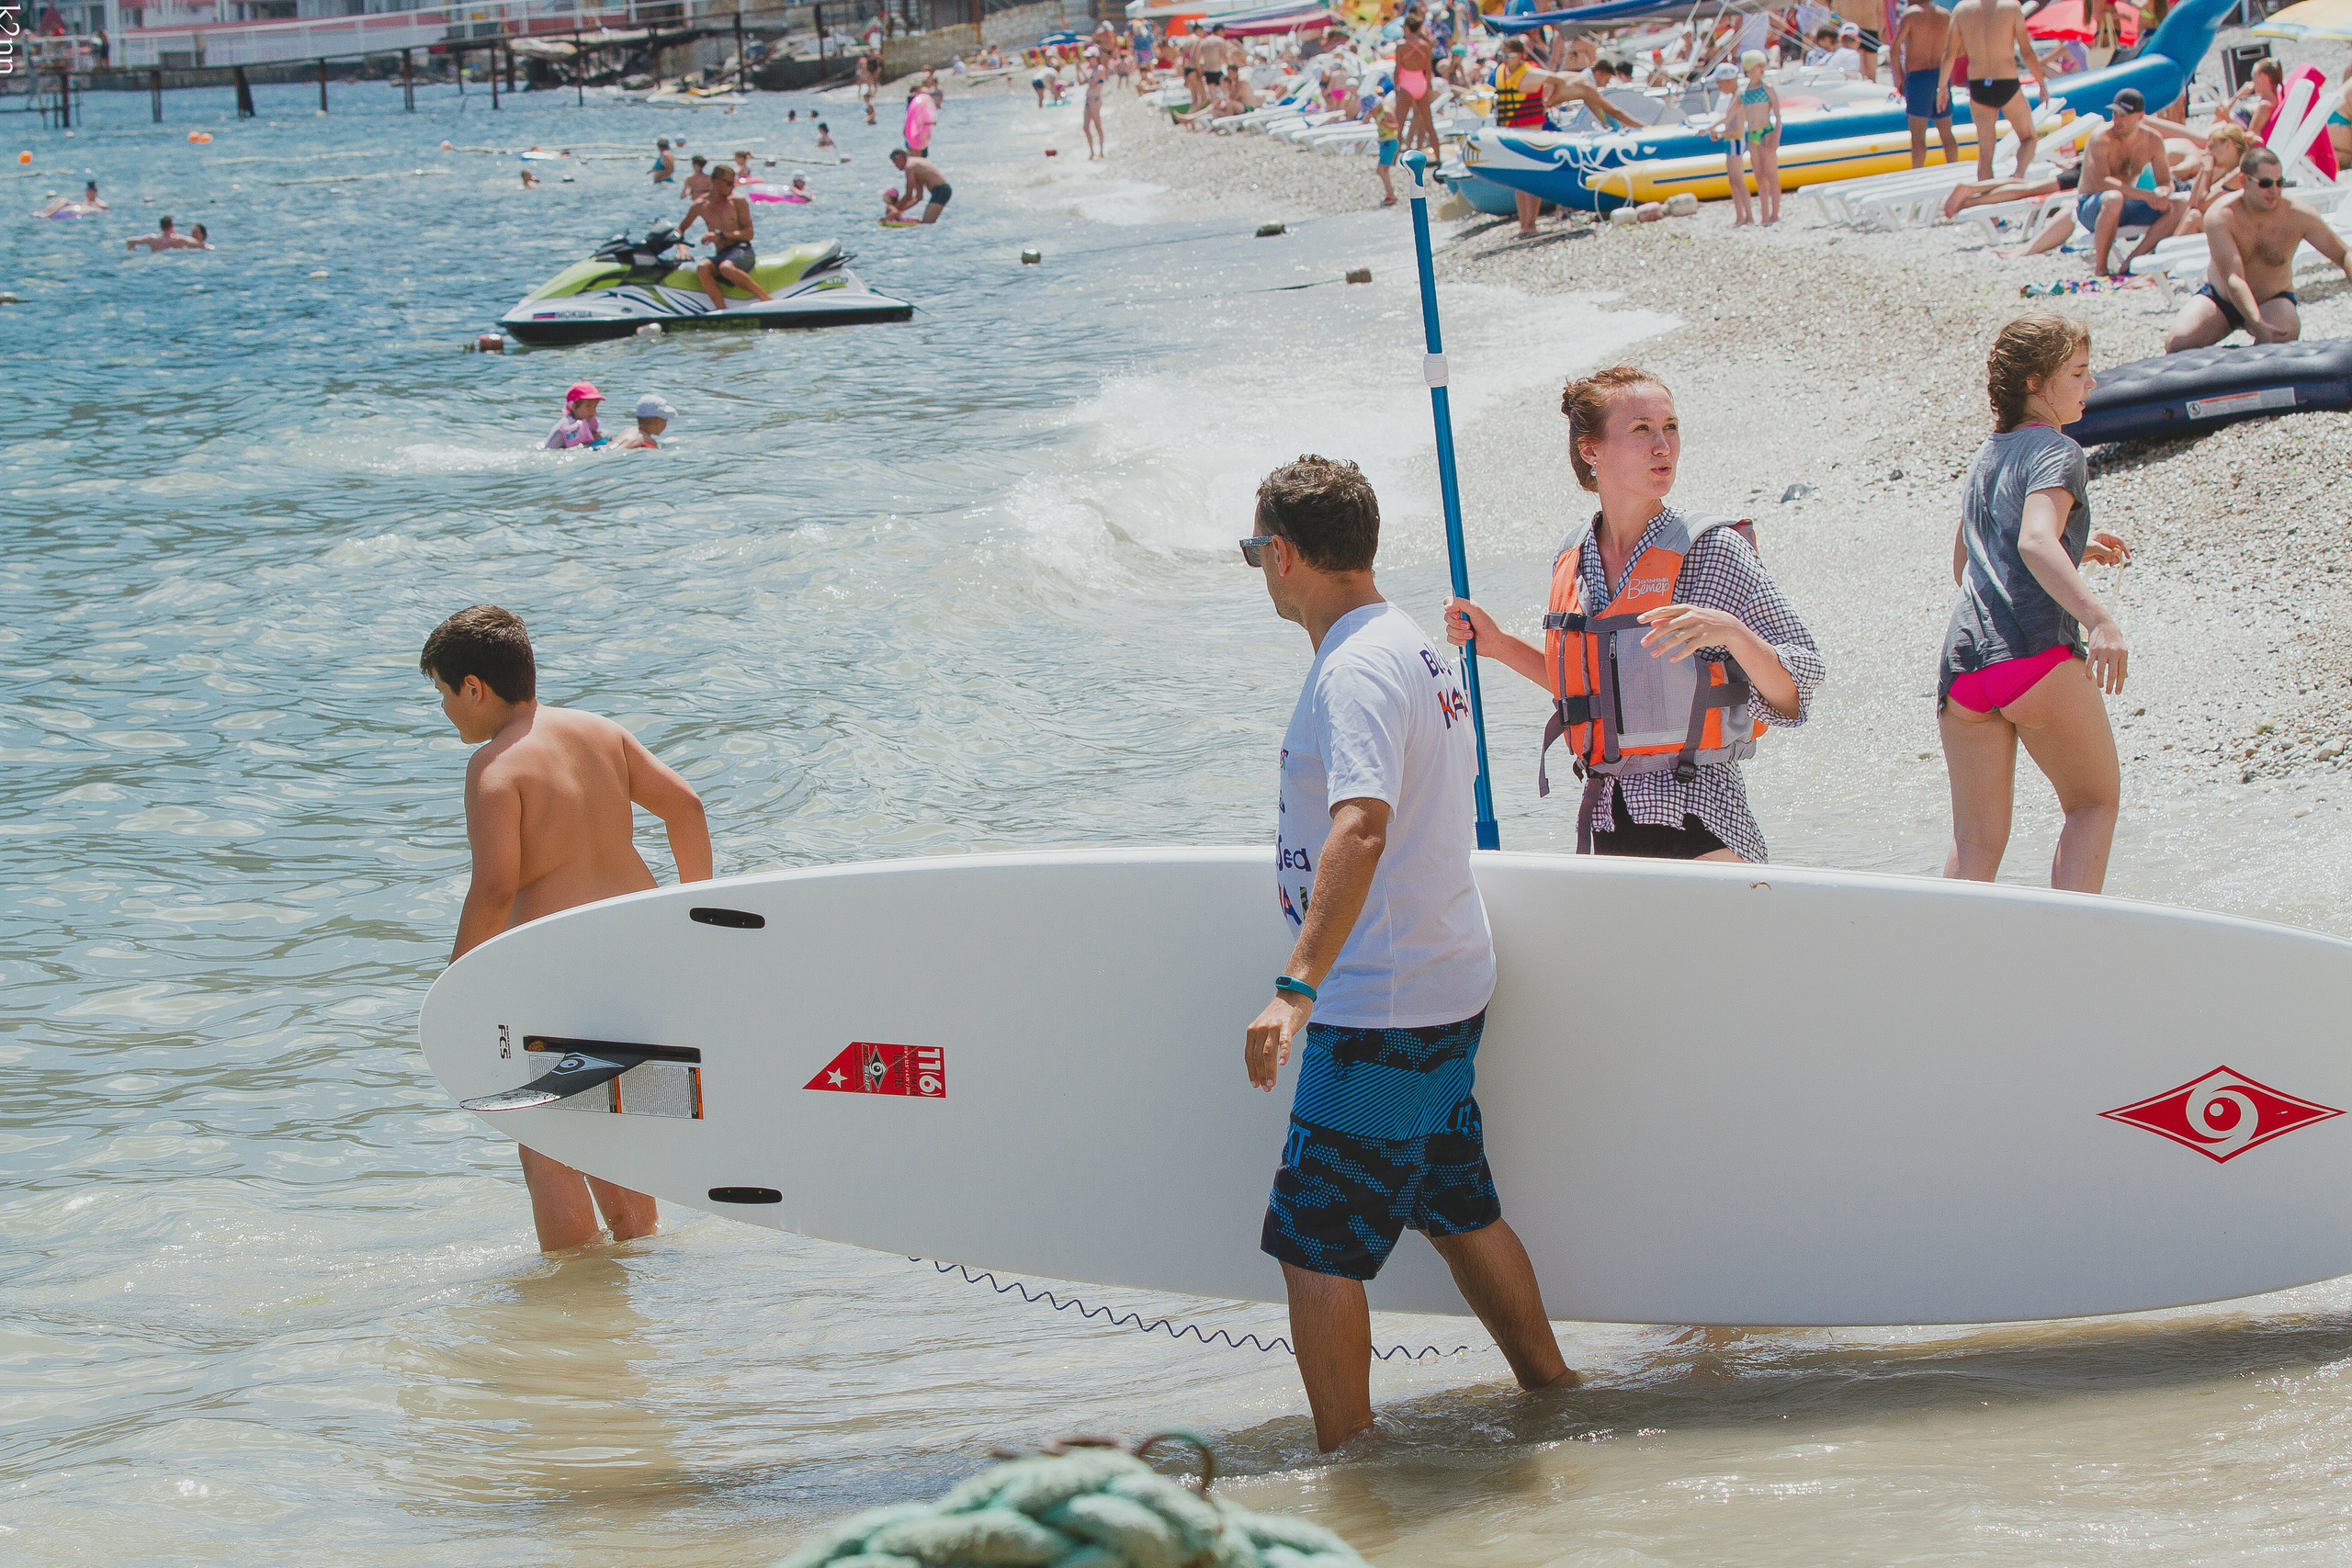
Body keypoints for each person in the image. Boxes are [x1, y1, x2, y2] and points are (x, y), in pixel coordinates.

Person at [1241, 456, 1578, 1453]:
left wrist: (1294, 988)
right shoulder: (1411, 647)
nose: (1259, 566)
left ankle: (1352, 1469)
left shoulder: (1351, 667)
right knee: (1454, 1201)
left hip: (1380, 1003)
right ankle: (1556, 1399)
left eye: (1255, 549)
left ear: (1287, 554)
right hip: (1439, 975)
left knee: (1312, 1243)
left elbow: (1361, 827)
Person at [1442, 367, 1821, 863]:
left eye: (1671, 427)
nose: (1663, 445)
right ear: (1591, 450)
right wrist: (1498, 645)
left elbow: (1799, 683)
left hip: (1701, 820)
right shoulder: (1574, 555)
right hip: (1607, 819)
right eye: (1642, 429)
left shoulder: (1711, 550)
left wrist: (1730, 631)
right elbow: (1590, 690)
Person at [422, 605, 711, 1251]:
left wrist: (455, 990)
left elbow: (496, 887)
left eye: (442, 692)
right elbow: (686, 808)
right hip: (644, 963)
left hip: (563, 980)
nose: (443, 709)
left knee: (548, 1144)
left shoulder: (495, 769)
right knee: (616, 1129)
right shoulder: (601, 732)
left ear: (475, 687)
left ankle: (576, 1298)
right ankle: (644, 1257)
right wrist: (697, 921)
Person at [1937, 315, 2131, 894]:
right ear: (2033, 384)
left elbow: (1965, 564)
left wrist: (2079, 548)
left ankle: (1940, 968)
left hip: (1964, 671)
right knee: (2091, 805)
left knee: (1975, 841)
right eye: (2077, 372)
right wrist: (2100, 619)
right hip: (2034, 653)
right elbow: (2034, 539)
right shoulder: (2058, 450)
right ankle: (2068, 965)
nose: (2090, 383)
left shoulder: (1987, 455)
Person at [2164, 146, 2352, 351]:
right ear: (2244, 181)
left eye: (2280, 183)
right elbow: (2233, 278)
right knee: (2178, 343)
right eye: (2265, 183)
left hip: (2272, 298)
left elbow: (2344, 254)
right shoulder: (2222, 216)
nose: (2274, 190)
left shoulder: (2298, 215)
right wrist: (2254, 320)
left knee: (2283, 334)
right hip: (2222, 298)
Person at [2073, 89, 2186, 276]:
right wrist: (2148, 195)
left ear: (2140, 116)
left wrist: (2164, 192)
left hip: (2128, 203)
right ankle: (2101, 268)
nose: (2118, 119)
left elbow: (2166, 180)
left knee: (2180, 205)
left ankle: (2132, 261)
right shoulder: (2102, 137)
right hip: (2092, 205)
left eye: (2124, 115)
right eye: (2115, 113)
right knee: (2113, 198)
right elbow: (2102, 182)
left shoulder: (2152, 140)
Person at [1939, 0, 2048, 181]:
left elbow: (1949, 53)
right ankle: (2017, 177)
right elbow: (2026, 51)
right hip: (2006, 81)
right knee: (2028, 138)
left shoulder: (1962, 9)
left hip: (1978, 84)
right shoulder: (2011, 7)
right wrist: (2041, 82)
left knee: (1985, 153)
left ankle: (1985, 196)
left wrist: (1942, 88)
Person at [678, 165, 775, 310]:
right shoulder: (700, 205)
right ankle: (722, 311)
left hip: (742, 250)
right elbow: (680, 230)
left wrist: (721, 235)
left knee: (726, 268)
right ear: (715, 181)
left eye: (733, 183)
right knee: (703, 267)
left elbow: (749, 233)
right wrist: (682, 248)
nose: (732, 187)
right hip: (722, 253)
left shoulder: (738, 201)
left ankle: (767, 300)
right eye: (729, 183)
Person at [1894, 0, 1959, 169]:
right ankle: (1953, 170)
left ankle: (1916, 175)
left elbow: (1894, 49)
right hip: (1940, 76)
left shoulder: (1911, 14)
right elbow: (1956, 49)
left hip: (1918, 78)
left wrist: (1900, 78)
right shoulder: (1945, 15)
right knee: (1947, 134)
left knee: (1918, 138)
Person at [1729, 50, 1781, 226]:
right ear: (1750, 68)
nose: (1762, 69)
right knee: (1759, 175)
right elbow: (1729, 115)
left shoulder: (1768, 90)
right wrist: (1713, 130)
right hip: (1752, 135)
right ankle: (1765, 215)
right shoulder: (1743, 92)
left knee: (1771, 174)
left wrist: (1776, 139)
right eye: (1759, 66)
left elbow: (1779, 117)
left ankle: (1774, 214)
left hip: (1766, 132)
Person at [1394, 13, 1439, 153]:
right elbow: (1428, 69)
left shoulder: (1401, 46)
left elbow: (1397, 69)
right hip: (1421, 84)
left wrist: (1397, 89)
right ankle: (1438, 158)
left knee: (1399, 126)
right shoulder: (1425, 46)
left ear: (1407, 28)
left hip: (1406, 84)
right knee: (1429, 125)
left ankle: (1393, 161)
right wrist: (1428, 87)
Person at [884, 148, 951, 223]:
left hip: (940, 190)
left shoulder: (909, 166)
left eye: (894, 162)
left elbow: (908, 194)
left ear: (899, 158)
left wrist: (895, 209)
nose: (895, 166)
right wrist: (900, 210)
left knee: (927, 223)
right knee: (926, 223)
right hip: (941, 190)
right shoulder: (915, 166)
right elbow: (919, 197)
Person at [544, 381, 606, 450]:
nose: (592, 410)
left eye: (595, 406)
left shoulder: (587, 419)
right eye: (588, 406)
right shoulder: (567, 425)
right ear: (573, 406)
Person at [1373, 91, 1401, 206]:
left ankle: (1391, 195)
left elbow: (1396, 126)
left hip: (1390, 142)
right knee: (1382, 170)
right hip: (1385, 143)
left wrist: (1386, 125)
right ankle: (1390, 194)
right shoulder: (1379, 111)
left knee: (1381, 170)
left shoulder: (1386, 111)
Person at [1082, 51, 1107, 159]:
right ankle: (1092, 151)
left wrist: (1082, 72)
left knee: (1097, 125)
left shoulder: (1100, 69)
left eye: (1089, 58)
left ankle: (1101, 151)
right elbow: (1082, 81)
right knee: (1086, 127)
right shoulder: (1091, 70)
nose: (1088, 60)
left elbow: (1092, 83)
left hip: (1095, 100)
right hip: (1089, 99)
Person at [904, 85, 938, 157]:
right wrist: (931, 122)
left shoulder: (911, 111)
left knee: (915, 157)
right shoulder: (916, 110)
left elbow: (906, 129)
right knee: (919, 157)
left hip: (916, 137)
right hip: (917, 138)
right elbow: (920, 122)